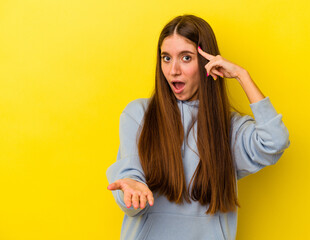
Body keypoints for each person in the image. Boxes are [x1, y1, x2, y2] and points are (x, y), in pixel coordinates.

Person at [106, 14, 290, 240]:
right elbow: (132, 195)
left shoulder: (228, 127)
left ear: (207, 62)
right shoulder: (138, 115)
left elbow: (275, 141)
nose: (173, 70)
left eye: (185, 58)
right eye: (166, 58)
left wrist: (242, 76)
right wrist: (131, 190)